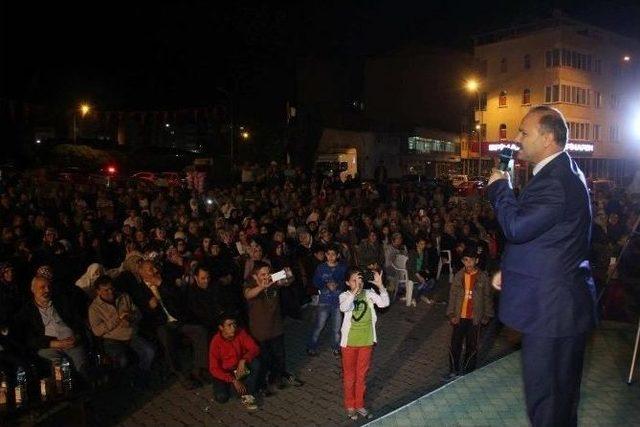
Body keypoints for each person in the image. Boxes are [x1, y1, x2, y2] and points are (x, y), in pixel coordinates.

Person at [487, 105, 595, 427]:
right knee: (559, 402)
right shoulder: (562, 171)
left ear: (547, 138)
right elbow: (552, 239)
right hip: (559, 305)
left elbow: (518, 227)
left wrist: (498, 186)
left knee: (547, 403)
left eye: (524, 132)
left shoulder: (554, 181)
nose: (518, 139)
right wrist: (513, 270)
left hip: (551, 313)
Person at [338, 268, 389, 420]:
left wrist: (380, 286)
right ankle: (350, 405)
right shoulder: (345, 295)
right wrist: (354, 292)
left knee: (361, 376)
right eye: (354, 280)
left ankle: (359, 404)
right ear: (348, 283)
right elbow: (344, 307)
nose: (358, 282)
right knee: (349, 376)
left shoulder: (369, 293)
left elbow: (384, 303)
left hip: (366, 342)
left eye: (359, 279)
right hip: (349, 344)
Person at [88, 275, 155, 385]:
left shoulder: (124, 297)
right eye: (106, 290)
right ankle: (126, 382)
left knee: (149, 352)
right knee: (122, 360)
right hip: (112, 339)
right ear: (98, 292)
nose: (110, 292)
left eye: (111, 288)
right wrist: (117, 319)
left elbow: (138, 314)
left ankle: (141, 375)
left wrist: (130, 317)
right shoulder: (94, 308)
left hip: (130, 334)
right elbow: (97, 330)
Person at [445, 247, 493, 380]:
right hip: (460, 316)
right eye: (466, 260)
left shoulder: (482, 277)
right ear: (462, 261)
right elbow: (453, 295)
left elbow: (487, 297)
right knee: (455, 344)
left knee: (472, 346)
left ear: (476, 261)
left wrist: (487, 315)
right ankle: (453, 370)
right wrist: (451, 314)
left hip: (474, 317)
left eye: (471, 260)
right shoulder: (459, 276)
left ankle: (468, 372)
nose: (469, 263)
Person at [209, 313, 260, 410]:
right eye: (229, 325)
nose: (233, 327)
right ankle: (236, 388)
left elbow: (255, 348)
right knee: (221, 397)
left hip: (238, 367)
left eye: (234, 324)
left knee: (256, 363)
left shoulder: (241, 333)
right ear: (221, 327)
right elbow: (213, 368)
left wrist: (244, 359)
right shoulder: (215, 342)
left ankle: (247, 394)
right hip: (224, 372)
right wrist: (233, 380)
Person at [307, 245, 347, 356]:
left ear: (337, 255)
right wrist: (326, 284)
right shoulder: (321, 268)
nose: (330, 256)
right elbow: (315, 282)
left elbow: (346, 282)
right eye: (328, 254)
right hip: (324, 301)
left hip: (338, 302)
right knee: (319, 326)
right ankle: (312, 346)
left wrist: (338, 284)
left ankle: (336, 347)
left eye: (333, 254)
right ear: (325, 255)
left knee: (337, 328)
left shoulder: (342, 268)